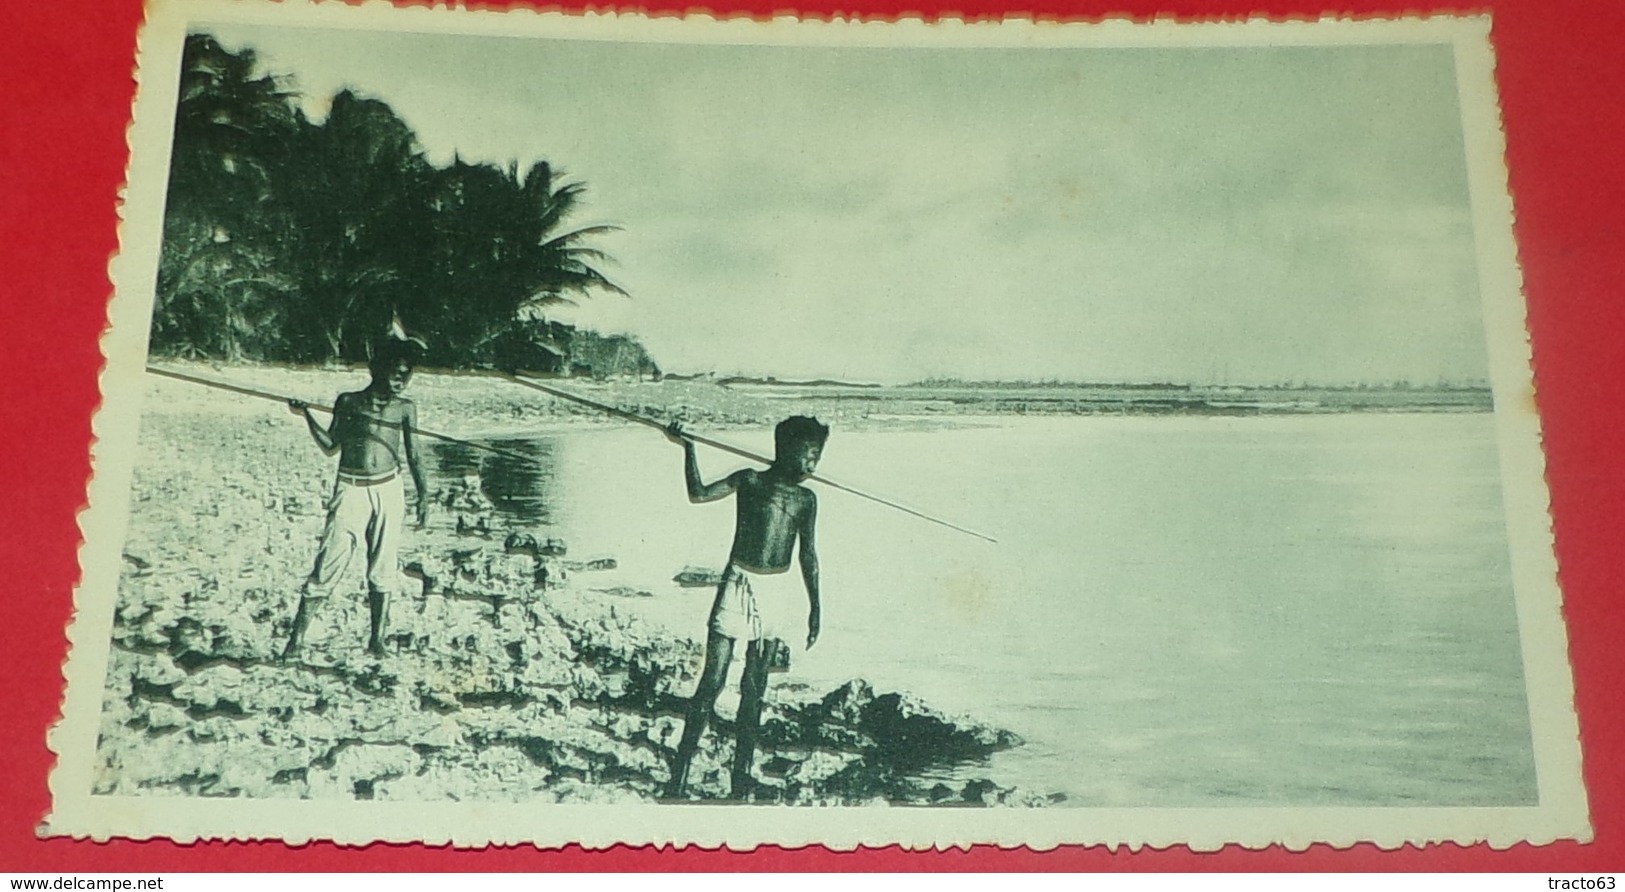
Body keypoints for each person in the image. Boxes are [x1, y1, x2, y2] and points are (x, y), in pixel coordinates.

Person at [662, 415, 829, 800]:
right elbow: (698, 493)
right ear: (786, 450)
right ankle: (678, 779)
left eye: (816, 459)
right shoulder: (749, 480)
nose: (812, 466)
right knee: (712, 684)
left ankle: (740, 779)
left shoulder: (806, 500)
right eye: (809, 456)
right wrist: (688, 448)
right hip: (737, 585)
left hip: (777, 594)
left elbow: (809, 555)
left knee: (754, 689)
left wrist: (815, 607)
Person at [281, 339, 429, 659]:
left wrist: (424, 497)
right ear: (378, 370)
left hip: (390, 489)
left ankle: (377, 641)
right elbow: (330, 445)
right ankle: (295, 642)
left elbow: (415, 455)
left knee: (383, 566)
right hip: (351, 488)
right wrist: (306, 414)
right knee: (328, 565)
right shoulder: (349, 402)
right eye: (396, 373)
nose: (402, 380)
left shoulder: (406, 408)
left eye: (407, 375)